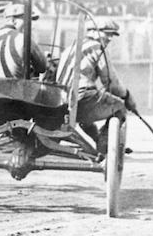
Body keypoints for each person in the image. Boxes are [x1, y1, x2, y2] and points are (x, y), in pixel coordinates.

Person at [55, 18, 137, 150]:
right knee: (119, 107)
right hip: (79, 99)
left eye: (112, 35)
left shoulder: (70, 48)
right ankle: (105, 147)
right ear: (93, 32)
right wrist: (127, 97)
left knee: (89, 112)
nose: (110, 38)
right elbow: (111, 83)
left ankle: (99, 140)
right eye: (107, 33)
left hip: (61, 100)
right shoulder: (97, 48)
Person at [0, 3, 47, 79]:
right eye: (26, 21)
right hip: (16, 89)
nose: (29, 25)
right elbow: (42, 68)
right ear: (14, 21)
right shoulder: (26, 39)